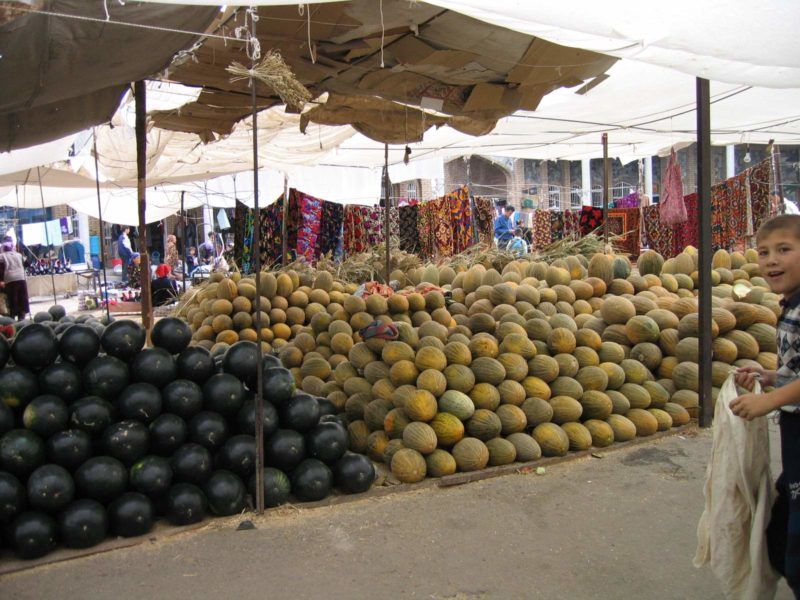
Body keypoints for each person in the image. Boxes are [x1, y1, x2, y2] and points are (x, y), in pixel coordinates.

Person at [732, 214, 800, 595]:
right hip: (794, 434)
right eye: (764, 252)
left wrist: (769, 401)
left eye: (785, 250)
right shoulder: (788, 305)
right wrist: (770, 376)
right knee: (780, 528)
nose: (772, 260)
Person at [0, 237, 29, 320]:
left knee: (13, 299)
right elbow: (27, 264)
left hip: (10, 279)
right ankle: (21, 318)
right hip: (21, 278)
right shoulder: (18, 254)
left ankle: (12, 318)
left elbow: (1, 269)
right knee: (22, 299)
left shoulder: (2, 256)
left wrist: (1, 280)